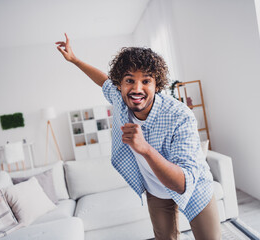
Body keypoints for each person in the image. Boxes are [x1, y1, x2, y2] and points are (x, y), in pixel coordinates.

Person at [56, 33, 221, 240]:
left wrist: (145, 148)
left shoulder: (180, 116)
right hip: (157, 192)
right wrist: (75, 60)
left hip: (194, 186)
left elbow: (182, 184)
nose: (136, 88)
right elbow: (102, 80)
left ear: (157, 85)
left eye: (146, 81)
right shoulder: (119, 98)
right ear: (120, 84)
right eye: (129, 80)